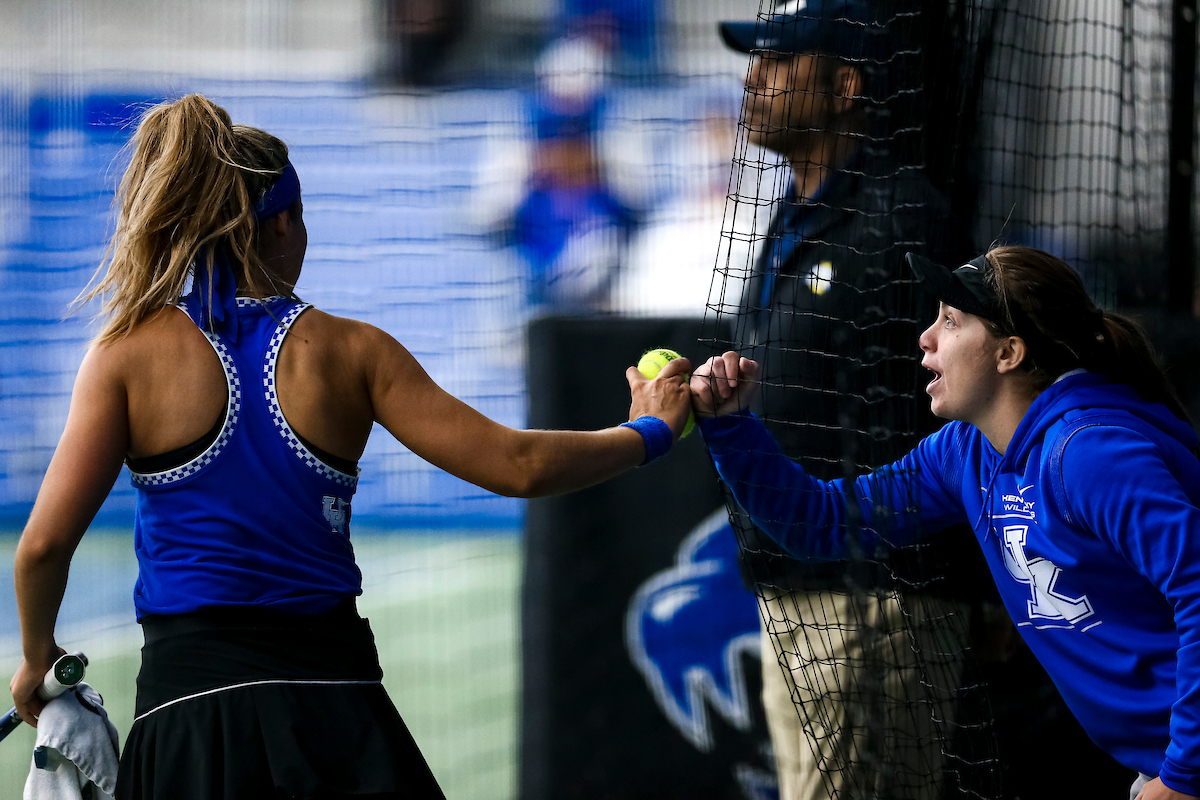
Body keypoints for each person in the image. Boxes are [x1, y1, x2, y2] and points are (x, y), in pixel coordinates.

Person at [8, 94, 693, 800]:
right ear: (286, 223)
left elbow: (41, 548)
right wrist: (650, 430)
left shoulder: (124, 354)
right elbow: (517, 465)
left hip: (189, 712)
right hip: (335, 707)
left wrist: (38, 657)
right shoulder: (353, 352)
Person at [691, 244, 1200, 800]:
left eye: (950, 321)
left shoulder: (1087, 453)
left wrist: (1183, 774)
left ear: (1008, 352)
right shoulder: (965, 453)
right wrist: (731, 427)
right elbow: (822, 523)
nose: (925, 338)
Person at [717, 2, 983, 797]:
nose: (752, 78)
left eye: (778, 62)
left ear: (844, 87)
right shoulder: (787, 218)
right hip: (790, 599)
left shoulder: (903, 217)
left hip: (875, 606)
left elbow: (968, 407)